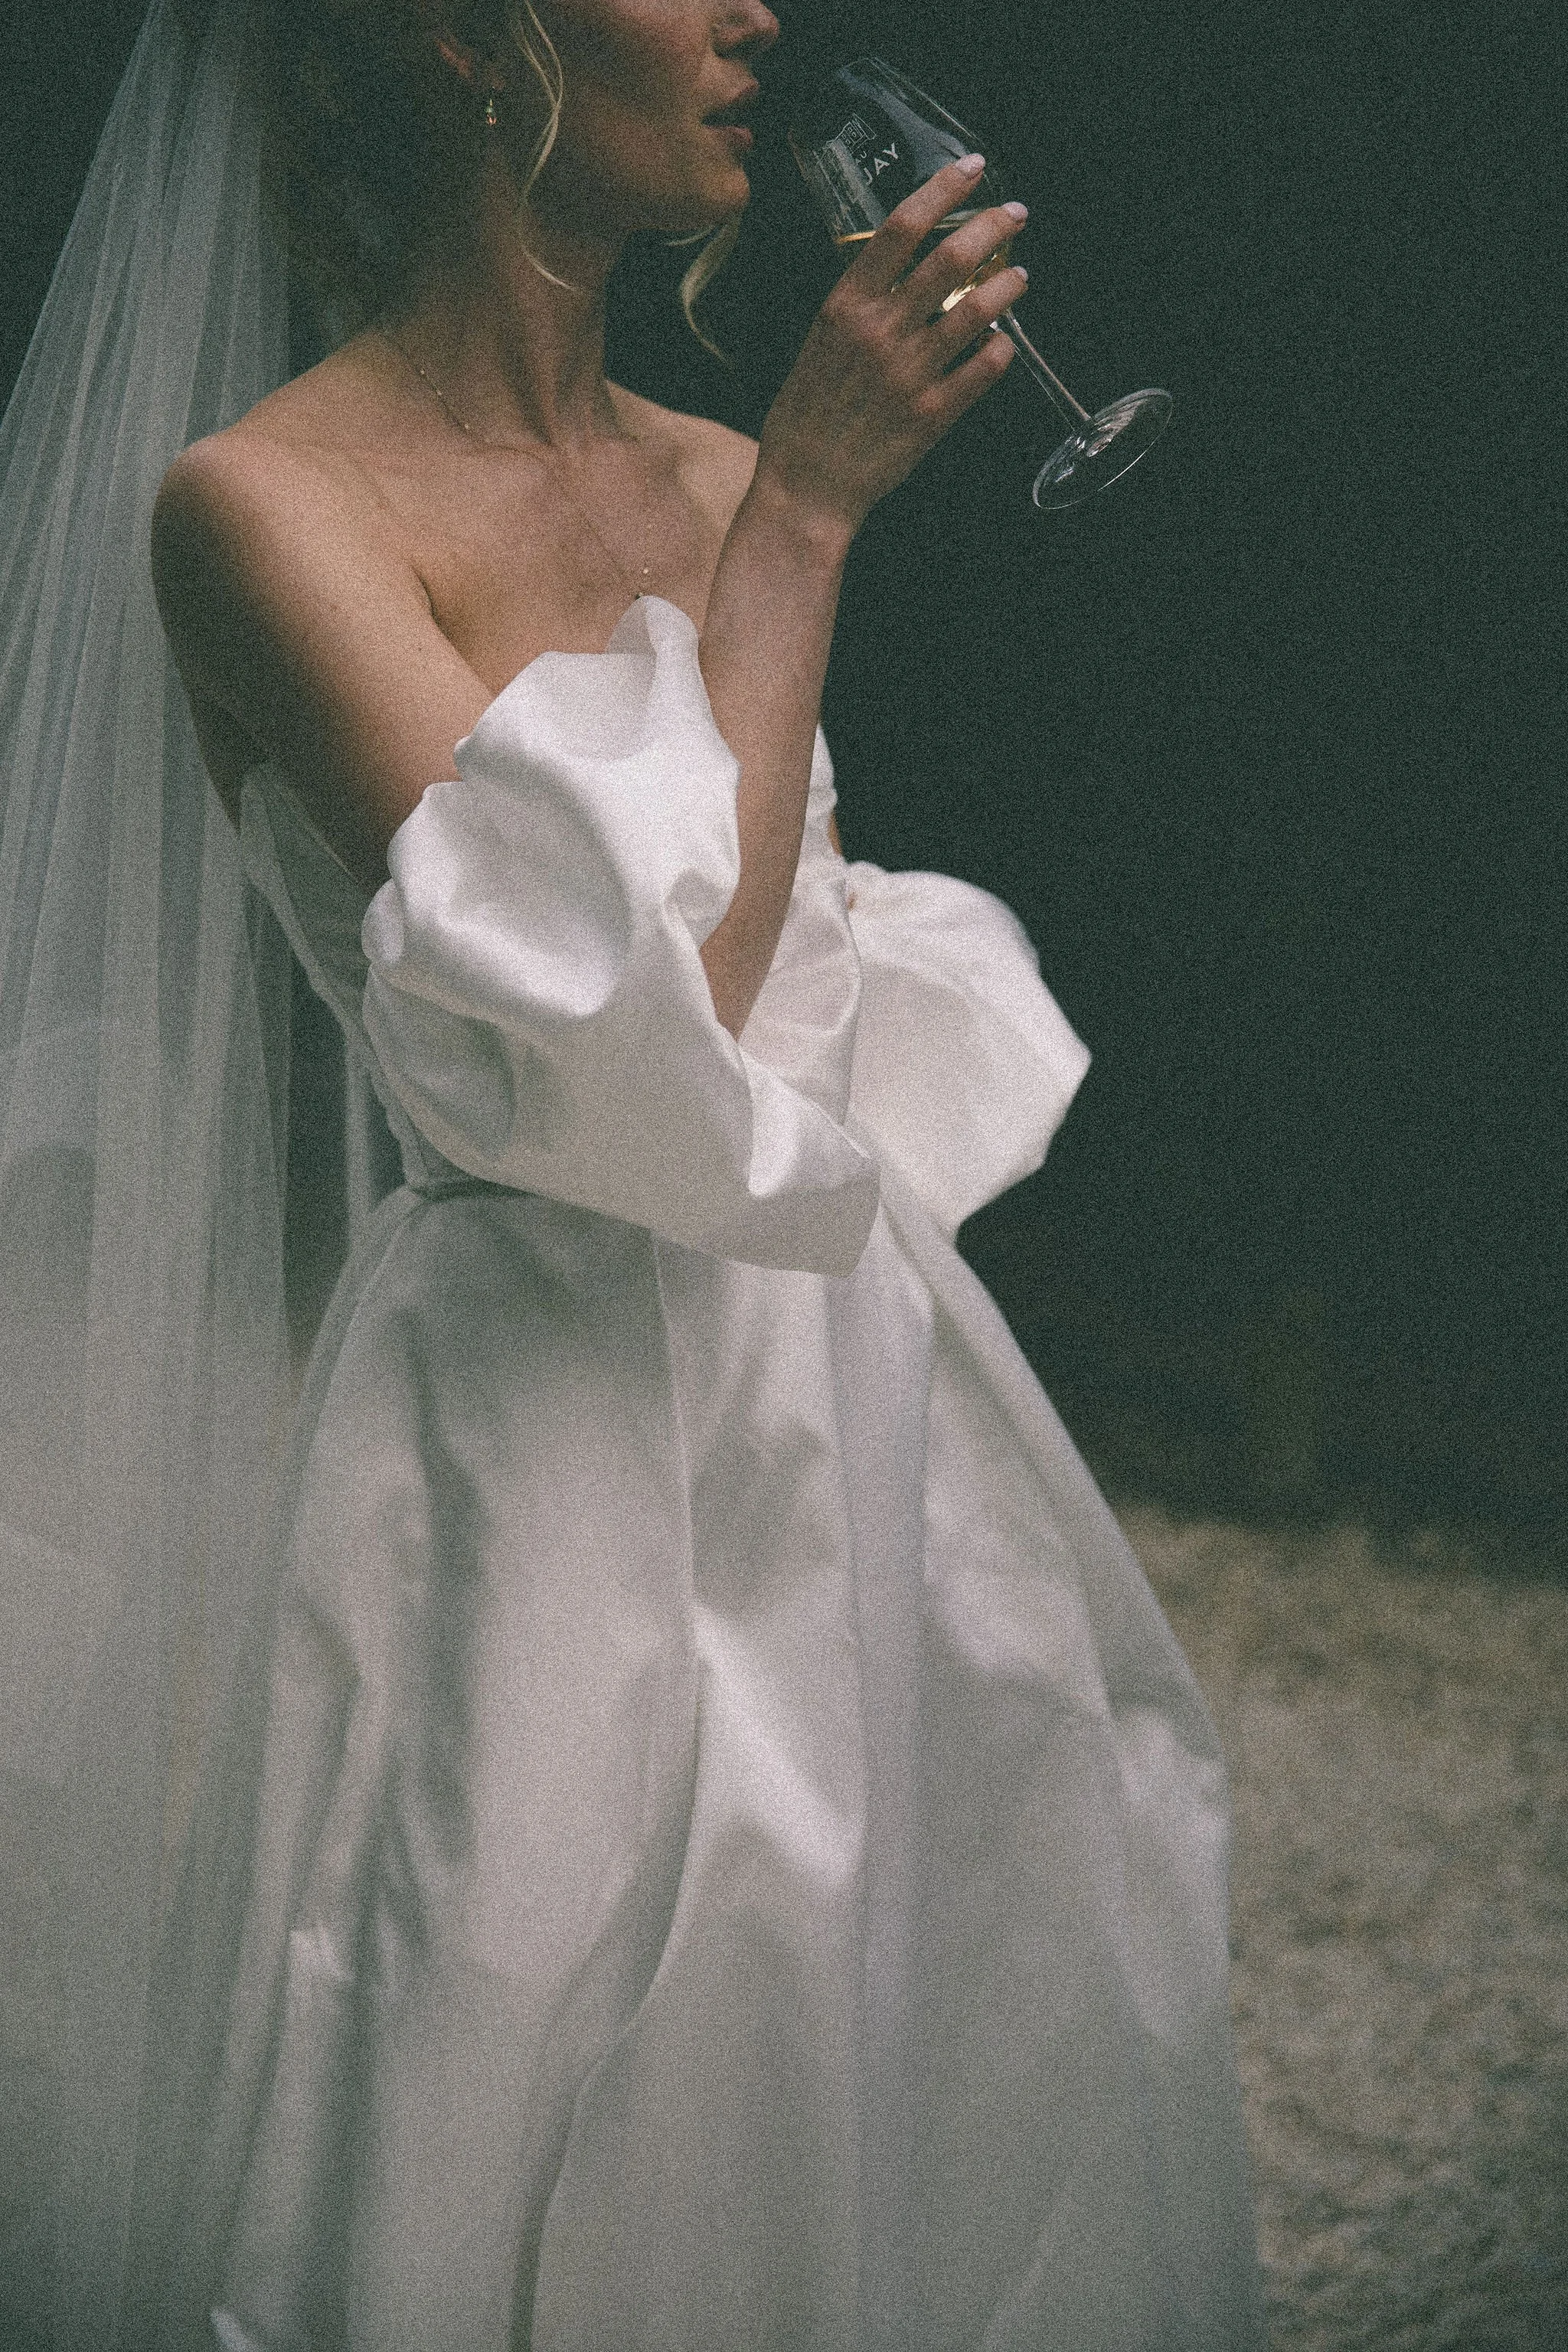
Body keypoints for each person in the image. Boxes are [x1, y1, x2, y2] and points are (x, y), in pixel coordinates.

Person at [0, 1, 1262, 2344]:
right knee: (518, 2042)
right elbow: (617, 1062)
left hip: (849, 1392)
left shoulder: (704, 460)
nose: (759, 15)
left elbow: (812, 994)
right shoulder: (264, 512)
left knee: (906, 2031)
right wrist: (808, 512)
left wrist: (773, 494)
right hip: (538, 1431)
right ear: (481, 41)